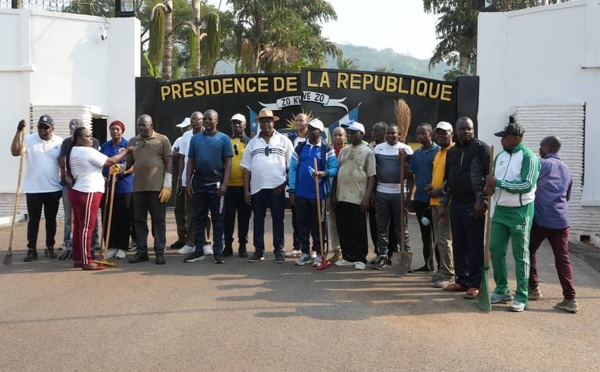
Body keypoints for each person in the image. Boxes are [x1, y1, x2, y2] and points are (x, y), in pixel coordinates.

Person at [485, 123, 540, 312]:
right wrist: (490, 188)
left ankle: (522, 295)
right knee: (495, 249)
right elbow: (493, 182)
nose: (501, 140)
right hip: (500, 210)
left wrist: (498, 182)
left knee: (520, 254)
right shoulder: (499, 156)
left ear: (516, 138)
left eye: (504, 137)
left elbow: (526, 185)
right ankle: (502, 289)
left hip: (520, 211)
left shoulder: (529, 157)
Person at [66, 127, 133, 270]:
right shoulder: (87, 151)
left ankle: (78, 258)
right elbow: (109, 162)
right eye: (88, 136)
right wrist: (126, 152)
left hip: (78, 190)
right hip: (88, 190)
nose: (91, 139)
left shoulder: (73, 151)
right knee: (87, 227)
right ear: (79, 139)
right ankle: (86, 260)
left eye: (91, 136)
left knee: (79, 226)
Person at [440, 117, 490, 300]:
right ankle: (461, 280)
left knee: (474, 245)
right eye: (462, 129)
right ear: (456, 131)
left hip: (473, 204)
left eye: (469, 129)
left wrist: (481, 201)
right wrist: (443, 204)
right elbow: (448, 181)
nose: (466, 132)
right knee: (459, 243)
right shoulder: (451, 152)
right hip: (456, 204)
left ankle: (475, 284)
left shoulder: (481, 148)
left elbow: (487, 178)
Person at [528, 136, 578, 313]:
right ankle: (570, 299)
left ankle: (533, 289)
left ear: (548, 147)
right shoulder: (566, 169)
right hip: (562, 220)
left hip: (542, 219)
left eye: (541, 147)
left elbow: (529, 187)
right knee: (562, 258)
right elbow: (568, 196)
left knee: (529, 250)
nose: (539, 150)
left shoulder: (541, 165)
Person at [241, 108, 294, 263]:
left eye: (268, 121)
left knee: (278, 219)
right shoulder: (252, 143)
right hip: (258, 187)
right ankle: (258, 250)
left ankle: (279, 250)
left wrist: (284, 184)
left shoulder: (284, 140)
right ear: (259, 123)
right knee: (258, 219)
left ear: (273, 123)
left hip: (277, 187)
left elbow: (292, 166)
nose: (266, 124)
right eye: (262, 121)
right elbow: (246, 168)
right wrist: (246, 190)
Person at [11, 116, 63, 262]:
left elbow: (63, 163)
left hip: (53, 188)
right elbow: (15, 152)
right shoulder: (29, 139)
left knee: (51, 220)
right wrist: (18, 131)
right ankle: (31, 249)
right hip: (34, 188)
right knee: (33, 220)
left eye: (45, 127)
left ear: (52, 128)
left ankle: (50, 247)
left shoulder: (59, 142)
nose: (42, 130)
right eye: (40, 127)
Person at [183, 109, 233, 264]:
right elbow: (191, 160)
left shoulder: (224, 139)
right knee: (199, 217)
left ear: (216, 121)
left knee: (218, 219)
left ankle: (218, 251)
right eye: (205, 119)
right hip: (199, 184)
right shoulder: (195, 139)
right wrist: (188, 181)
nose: (206, 121)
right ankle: (199, 251)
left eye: (210, 119)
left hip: (216, 185)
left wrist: (225, 183)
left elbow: (228, 162)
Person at [288, 119, 338, 266]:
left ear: (320, 132)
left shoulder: (326, 149)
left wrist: (324, 173)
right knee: (302, 224)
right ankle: (305, 253)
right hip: (301, 193)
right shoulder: (300, 148)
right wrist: (292, 189)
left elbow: (335, 169)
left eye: (313, 128)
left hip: (319, 195)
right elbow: (292, 169)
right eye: (309, 127)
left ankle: (318, 252)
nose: (309, 130)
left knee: (318, 225)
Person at [126, 114, 173, 265]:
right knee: (139, 220)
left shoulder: (162, 139)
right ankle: (141, 252)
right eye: (139, 125)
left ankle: (159, 251)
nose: (140, 128)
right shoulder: (133, 141)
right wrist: (118, 168)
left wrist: (167, 184)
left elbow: (169, 163)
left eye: (144, 125)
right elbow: (128, 164)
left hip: (157, 188)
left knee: (158, 220)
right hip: (139, 188)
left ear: (151, 125)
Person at [333, 121, 376, 270]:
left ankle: (360, 258)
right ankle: (347, 257)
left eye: (354, 132)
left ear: (361, 134)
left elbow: (371, 176)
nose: (351, 135)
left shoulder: (368, 152)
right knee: (344, 228)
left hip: (358, 198)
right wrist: (334, 195)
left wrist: (366, 198)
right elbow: (337, 173)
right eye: (349, 133)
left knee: (358, 229)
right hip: (342, 196)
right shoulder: (344, 151)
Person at [57, 119, 101, 261]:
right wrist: (67, 176)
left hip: (85, 186)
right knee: (76, 221)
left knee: (87, 222)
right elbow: (62, 162)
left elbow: (96, 159)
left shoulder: (93, 142)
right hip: (78, 187)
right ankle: (74, 250)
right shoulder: (66, 143)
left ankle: (91, 246)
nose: (88, 138)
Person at [371, 124, 413, 270]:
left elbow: (411, 174)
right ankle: (382, 256)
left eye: (393, 133)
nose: (390, 135)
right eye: (388, 133)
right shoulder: (378, 149)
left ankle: (403, 259)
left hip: (399, 192)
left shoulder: (406, 149)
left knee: (401, 227)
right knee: (382, 226)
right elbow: (374, 172)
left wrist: (404, 160)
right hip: (382, 191)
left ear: (399, 134)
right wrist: (373, 193)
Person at [176, 112, 212, 256]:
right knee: (190, 211)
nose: (195, 122)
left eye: (197, 119)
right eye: (192, 120)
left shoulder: (209, 135)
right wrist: (181, 178)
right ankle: (190, 243)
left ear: (202, 121)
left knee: (205, 213)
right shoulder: (186, 136)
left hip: (205, 180)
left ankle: (205, 243)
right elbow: (182, 159)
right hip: (188, 180)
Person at [425, 121, 455, 288]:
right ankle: (442, 270)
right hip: (435, 201)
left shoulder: (454, 152)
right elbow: (439, 176)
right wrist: (431, 187)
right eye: (439, 133)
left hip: (447, 201)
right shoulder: (438, 153)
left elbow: (452, 178)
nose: (441, 136)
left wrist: (439, 191)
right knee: (440, 238)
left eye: (445, 133)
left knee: (444, 238)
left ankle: (449, 274)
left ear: (452, 134)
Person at [100, 120, 134, 259]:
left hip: (124, 186)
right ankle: (111, 245)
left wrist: (122, 172)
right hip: (108, 186)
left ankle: (123, 247)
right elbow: (101, 163)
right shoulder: (105, 146)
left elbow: (134, 165)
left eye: (117, 129)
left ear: (122, 131)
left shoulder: (128, 146)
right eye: (112, 129)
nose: (115, 132)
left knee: (124, 218)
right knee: (108, 216)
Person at [408, 123, 440, 272]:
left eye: (423, 133)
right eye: (418, 133)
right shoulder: (416, 154)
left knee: (438, 236)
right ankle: (428, 264)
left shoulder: (439, 152)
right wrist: (402, 160)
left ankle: (442, 267)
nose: (420, 136)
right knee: (425, 234)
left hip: (435, 200)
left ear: (430, 134)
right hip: (420, 200)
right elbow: (411, 174)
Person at [223, 113, 252, 258]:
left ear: (245, 125)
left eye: (239, 123)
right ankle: (227, 246)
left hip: (245, 187)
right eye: (234, 123)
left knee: (244, 218)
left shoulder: (250, 142)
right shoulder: (225, 141)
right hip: (228, 188)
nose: (236, 125)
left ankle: (242, 246)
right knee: (227, 218)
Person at [368, 121, 398, 259]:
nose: (372, 134)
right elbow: (372, 173)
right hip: (377, 193)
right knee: (378, 225)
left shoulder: (400, 147)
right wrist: (372, 192)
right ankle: (380, 252)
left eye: (375, 131)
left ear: (382, 133)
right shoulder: (372, 148)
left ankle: (393, 252)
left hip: (395, 193)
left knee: (393, 225)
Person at [285, 113, 309, 258]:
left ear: (307, 123)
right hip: (295, 185)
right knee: (296, 218)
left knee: (311, 218)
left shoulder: (312, 139)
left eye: (302, 120)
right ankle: (297, 246)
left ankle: (313, 248)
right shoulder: (290, 140)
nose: (299, 122)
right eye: (297, 120)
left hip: (309, 186)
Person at [170, 117, 192, 250]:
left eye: (185, 127)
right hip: (182, 178)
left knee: (192, 212)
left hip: (195, 180)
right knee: (179, 210)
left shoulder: (196, 137)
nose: (182, 130)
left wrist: (180, 153)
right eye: (182, 128)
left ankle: (193, 240)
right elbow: (173, 154)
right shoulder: (181, 139)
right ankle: (182, 237)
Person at [329, 126, 347, 256]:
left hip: (348, 192)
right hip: (331, 191)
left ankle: (349, 248)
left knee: (347, 221)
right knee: (333, 222)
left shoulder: (350, 150)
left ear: (345, 136)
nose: (337, 137)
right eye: (335, 135)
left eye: (340, 135)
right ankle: (337, 250)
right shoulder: (328, 151)